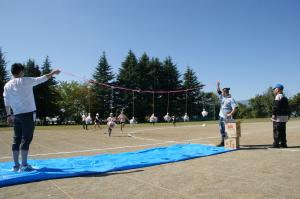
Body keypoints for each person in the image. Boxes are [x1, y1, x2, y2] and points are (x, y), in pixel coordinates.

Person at [3, 63, 60, 172]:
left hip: (16, 115)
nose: (23, 73)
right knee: (26, 139)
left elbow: (6, 101)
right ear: (20, 72)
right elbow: (42, 78)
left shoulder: (7, 85)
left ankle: (16, 166)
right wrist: (53, 73)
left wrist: (9, 115)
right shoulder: (26, 80)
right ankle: (24, 165)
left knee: (16, 139)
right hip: (28, 115)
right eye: (23, 71)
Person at [216, 81, 237, 147]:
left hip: (227, 118)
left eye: (223, 92)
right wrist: (218, 85)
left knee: (228, 130)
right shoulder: (222, 97)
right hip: (221, 116)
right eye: (222, 92)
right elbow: (218, 91)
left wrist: (230, 114)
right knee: (221, 129)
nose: (222, 93)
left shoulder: (231, 99)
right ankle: (222, 142)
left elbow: (235, 108)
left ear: (226, 92)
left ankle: (230, 143)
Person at [271, 84, 289, 148]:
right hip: (284, 116)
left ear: (278, 89)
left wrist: (274, 114)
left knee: (276, 130)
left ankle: (276, 144)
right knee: (283, 131)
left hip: (279, 117)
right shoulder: (284, 97)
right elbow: (287, 107)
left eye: (274, 89)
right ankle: (283, 143)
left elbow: (276, 106)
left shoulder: (278, 96)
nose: (273, 90)